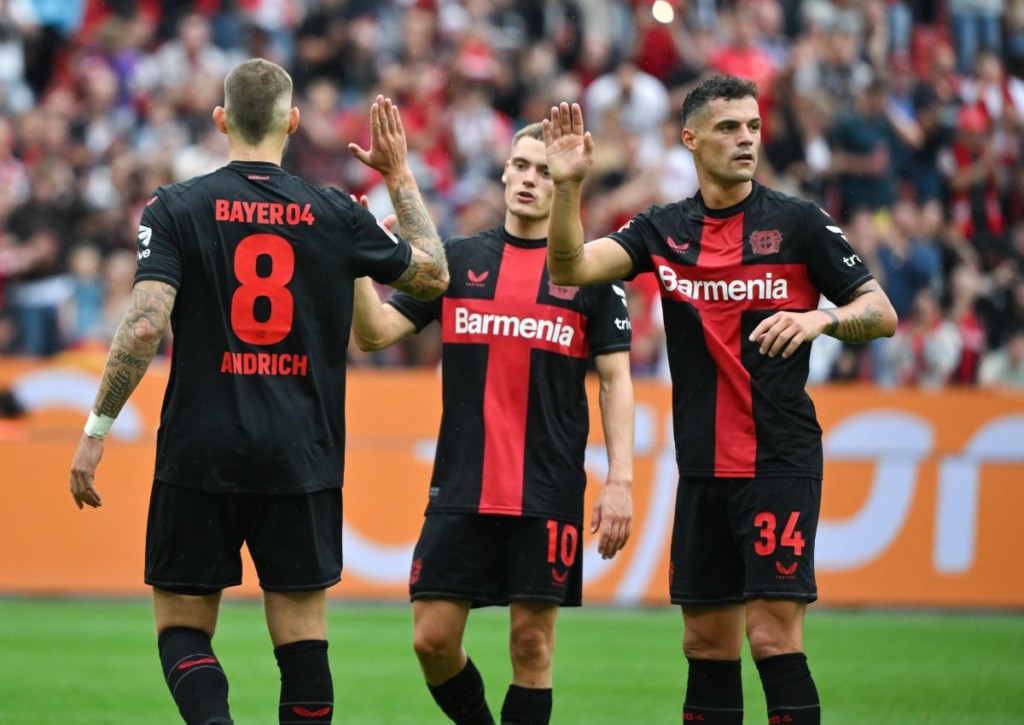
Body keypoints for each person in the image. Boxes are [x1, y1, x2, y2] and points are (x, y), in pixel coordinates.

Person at [68, 58, 448, 725]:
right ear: (293, 122)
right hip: (301, 449)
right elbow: (433, 277)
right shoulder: (333, 209)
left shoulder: (174, 207)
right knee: (302, 634)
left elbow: (145, 321)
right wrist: (399, 175)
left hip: (201, 446)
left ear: (220, 120)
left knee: (183, 626)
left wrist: (97, 427)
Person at [543, 76, 898, 725]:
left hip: (778, 459)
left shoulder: (798, 221)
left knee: (771, 636)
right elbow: (568, 267)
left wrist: (823, 320)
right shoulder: (662, 228)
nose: (745, 139)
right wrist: (567, 188)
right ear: (690, 138)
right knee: (704, 642)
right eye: (730, 127)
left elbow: (880, 311)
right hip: (703, 468)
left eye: (753, 127)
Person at [350, 122, 635, 725]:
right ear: (504, 173)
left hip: (547, 487)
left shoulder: (591, 273)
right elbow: (374, 335)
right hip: (462, 485)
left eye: (544, 170)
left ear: (563, 183)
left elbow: (616, 381)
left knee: (531, 647)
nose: (530, 179)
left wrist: (620, 482)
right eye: (521, 166)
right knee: (431, 639)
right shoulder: (455, 261)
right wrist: (355, 262)